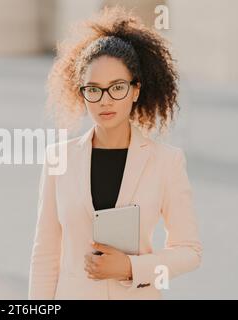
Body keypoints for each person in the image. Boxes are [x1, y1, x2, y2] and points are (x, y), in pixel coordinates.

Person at [28, 7, 202, 300]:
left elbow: (189, 251)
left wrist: (131, 267)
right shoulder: (59, 157)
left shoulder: (167, 162)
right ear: (81, 93)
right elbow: (45, 254)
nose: (105, 101)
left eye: (117, 88)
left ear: (135, 90)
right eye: (93, 89)